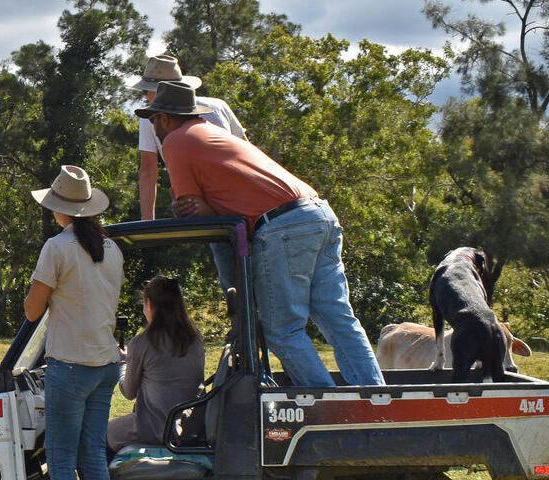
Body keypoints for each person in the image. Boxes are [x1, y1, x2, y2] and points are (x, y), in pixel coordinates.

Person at [135, 80, 383, 387]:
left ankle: (328, 408)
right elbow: (216, 206)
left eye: (153, 119)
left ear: (166, 118)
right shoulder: (214, 134)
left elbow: (190, 209)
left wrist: (197, 209)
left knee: (283, 331)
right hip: (318, 214)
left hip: (282, 227)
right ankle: (376, 402)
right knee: (338, 320)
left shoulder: (176, 141)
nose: (154, 128)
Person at [24, 165, 126, 480]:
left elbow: (31, 311)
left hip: (70, 366)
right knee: (93, 453)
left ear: (59, 208)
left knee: (61, 460)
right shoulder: (113, 249)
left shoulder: (56, 247)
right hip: (106, 363)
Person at [133, 55, 248, 220]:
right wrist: (147, 225)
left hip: (220, 202)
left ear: (164, 91)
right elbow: (147, 171)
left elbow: (148, 171)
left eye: (147, 90)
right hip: (224, 201)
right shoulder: (218, 106)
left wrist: (146, 224)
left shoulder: (216, 107)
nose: (145, 96)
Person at [107, 277, 204, 452]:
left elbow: (128, 392)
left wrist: (122, 364)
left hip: (154, 428)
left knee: (98, 435)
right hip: (188, 426)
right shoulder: (195, 339)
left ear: (150, 305)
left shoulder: (142, 342)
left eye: (144, 304)